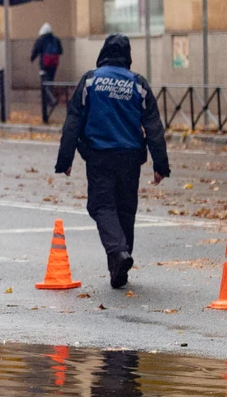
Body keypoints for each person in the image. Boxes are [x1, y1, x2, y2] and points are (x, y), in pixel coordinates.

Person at [54, 33, 169, 289]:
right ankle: (120, 268)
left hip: (99, 156)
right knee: (126, 210)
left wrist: (66, 158)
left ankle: (118, 253)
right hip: (130, 158)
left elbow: (73, 120)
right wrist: (160, 165)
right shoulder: (138, 84)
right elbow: (153, 126)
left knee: (101, 206)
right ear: (127, 56)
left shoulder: (90, 81)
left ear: (103, 52)